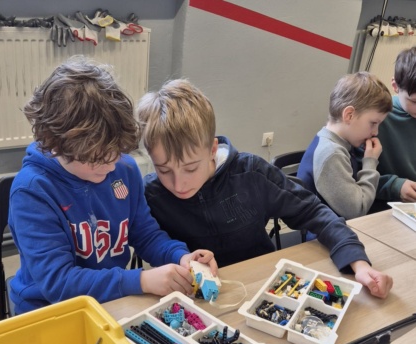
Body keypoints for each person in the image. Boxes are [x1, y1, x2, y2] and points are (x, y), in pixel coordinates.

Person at [138, 78, 393, 299]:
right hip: (194, 299)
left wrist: (358, 263)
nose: (178, 184)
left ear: (212, 149)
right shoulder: (151, 193)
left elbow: (314, 212)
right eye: (164, 170)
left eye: (191, 168)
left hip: (262, 288)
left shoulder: (251, 173)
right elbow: (149, 242)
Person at [8, 57, 216, 315]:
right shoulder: (32, 192)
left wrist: (180, 256)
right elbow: (59, 283)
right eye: (95, 159)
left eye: (115, 152)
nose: (110, 166)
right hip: (48, 310)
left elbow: (145, 234)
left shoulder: (123, 169)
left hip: (110, 301)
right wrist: (140, 280)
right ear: (55, 145)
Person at [297, 72, 392, 220]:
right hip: (326, 233)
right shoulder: (332, 153)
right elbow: (357, 210)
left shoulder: (337, 143)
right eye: (373, 123)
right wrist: (370, 162)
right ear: (349, 115)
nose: (375, 132)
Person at [375, 46, 416, 204]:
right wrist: (394, 186)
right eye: (414, 102)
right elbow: (355, 178)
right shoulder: (375, 118)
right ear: (395, 86)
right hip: (386, 206)